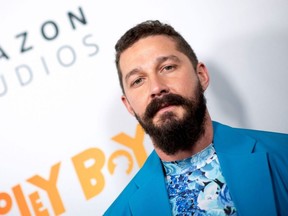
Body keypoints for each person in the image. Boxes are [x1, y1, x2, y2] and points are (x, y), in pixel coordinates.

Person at [104, 20, 288, 216]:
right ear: (129, 105)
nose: (157, 88)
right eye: (138, 80)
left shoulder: (283, 153)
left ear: (201, 75)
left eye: (167, 67)